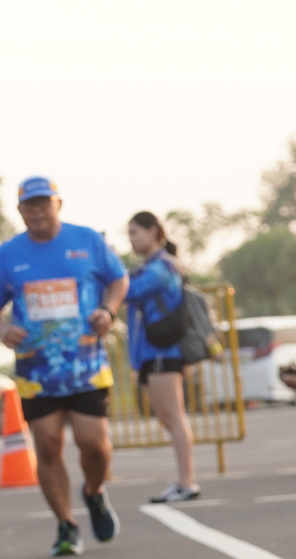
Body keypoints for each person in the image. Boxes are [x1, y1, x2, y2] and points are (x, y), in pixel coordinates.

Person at [0, 178, 129, 557]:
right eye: (29, 205)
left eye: (43, 203)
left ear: (58, 205)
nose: (37, 211)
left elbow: (118, 279)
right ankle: (66, 525)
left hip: (85, 365)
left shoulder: (87, 240)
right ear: (19, 210)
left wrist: (108, 310)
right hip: (36, 370)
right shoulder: (8, 254)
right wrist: (2, 329)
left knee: (93, 444)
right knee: (47, 446)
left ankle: (94, 492)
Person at [125, 212, 199, 503]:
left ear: (153, 231)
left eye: (135, 232)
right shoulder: (148, 267)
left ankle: (187, 482)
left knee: (174, 416)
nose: (131, 239)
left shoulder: (162, 267)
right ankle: (183, 480)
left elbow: (129, 291)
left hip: (164, 350)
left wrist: (112, 275)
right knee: (167, 417)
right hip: (151, 352)